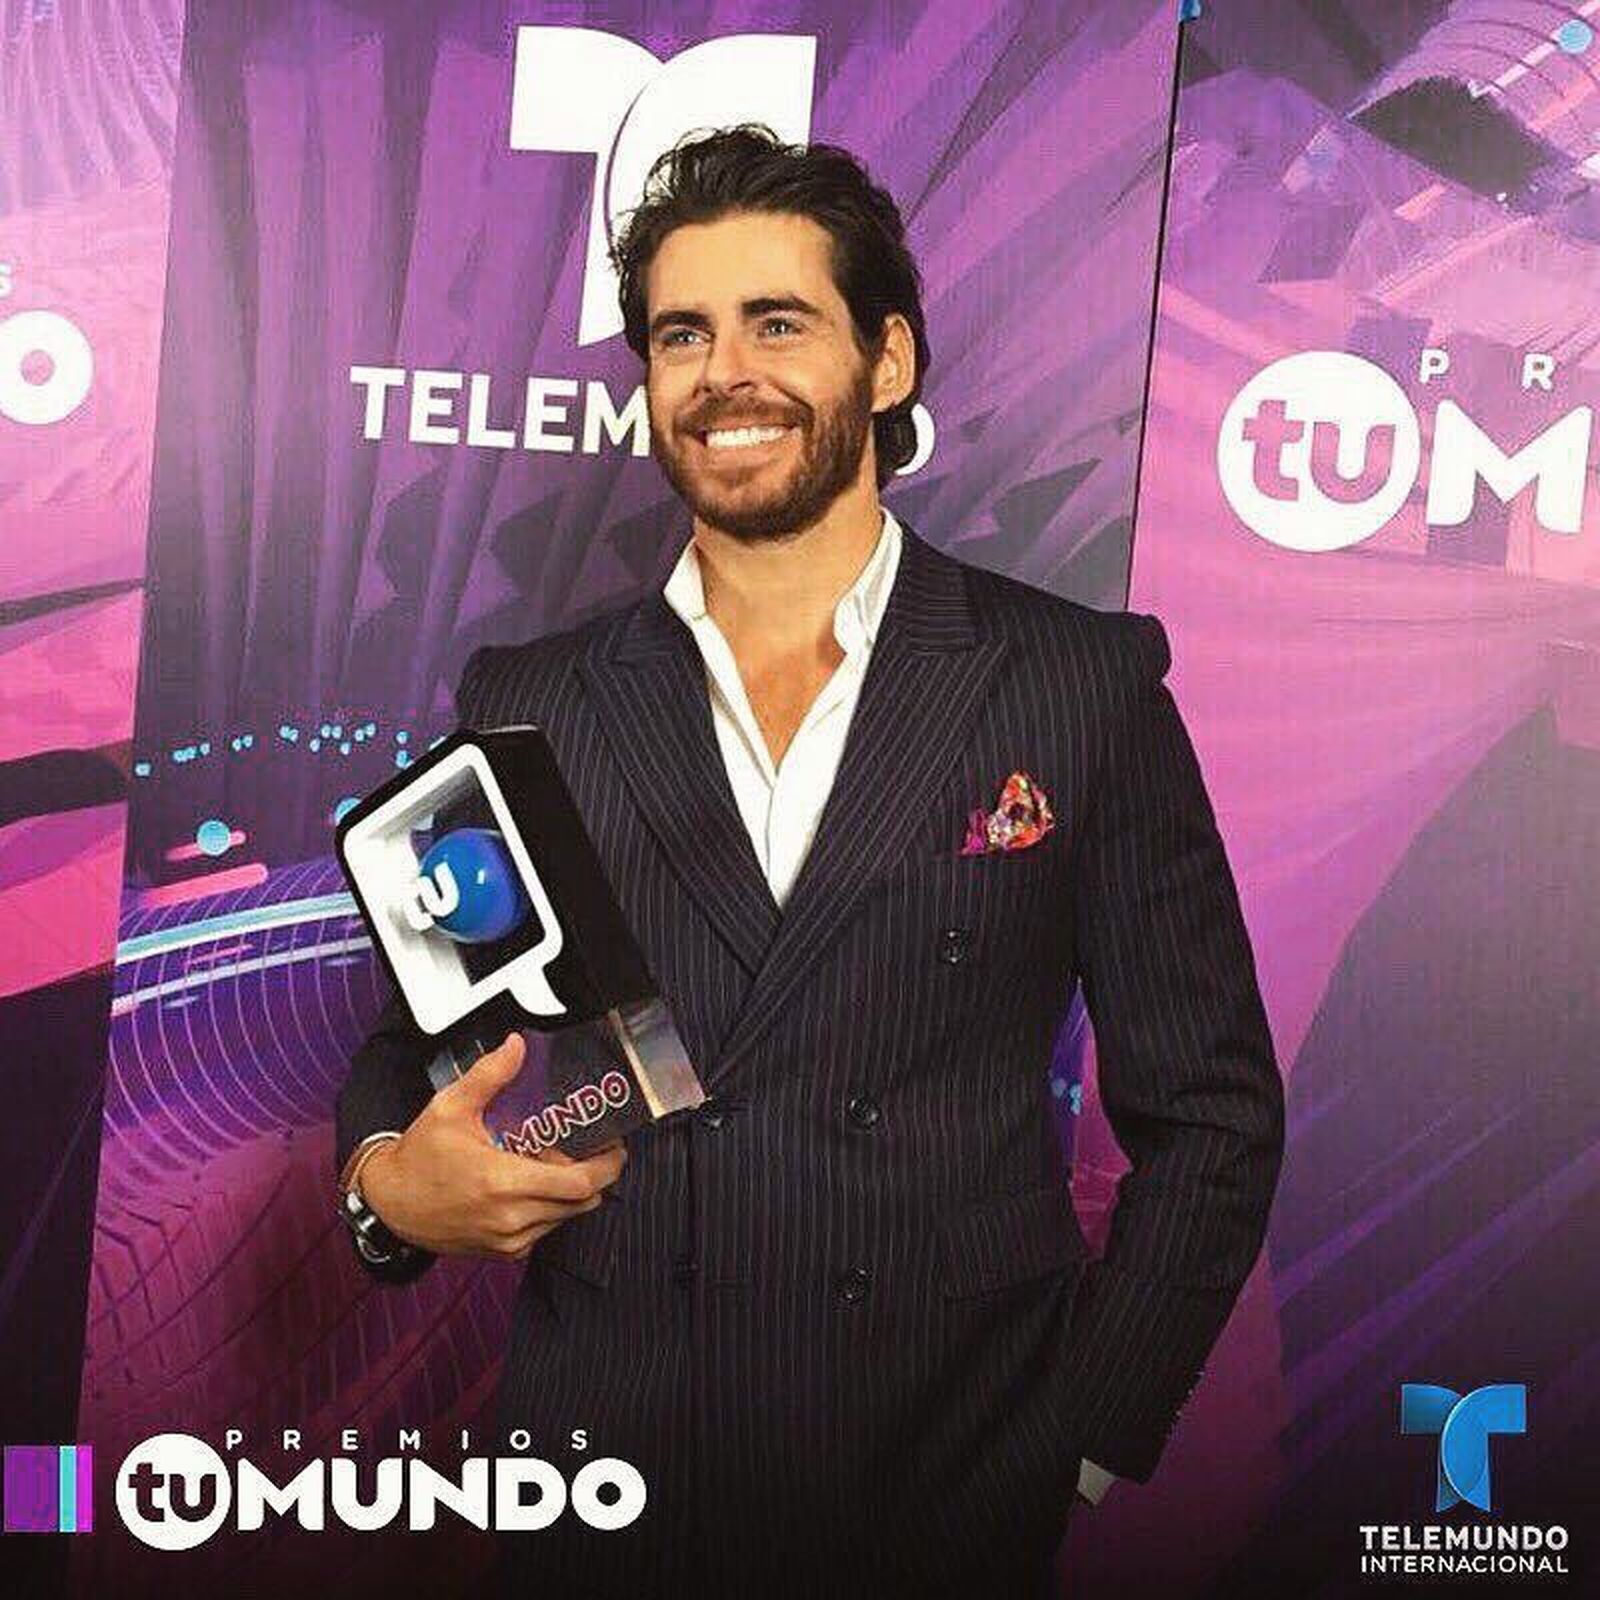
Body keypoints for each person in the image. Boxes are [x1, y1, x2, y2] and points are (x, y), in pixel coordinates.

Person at [334, 124, 1284, 1599]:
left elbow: (1213, 1114)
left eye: (779, 322)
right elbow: (421, 1045)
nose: (725, 375)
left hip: (946, 1478)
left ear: (887, 361)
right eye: (681, 334)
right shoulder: (531, 700)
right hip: (603, 1477)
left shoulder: (1073, 683)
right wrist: (391, 1189)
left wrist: (1083, 1438)